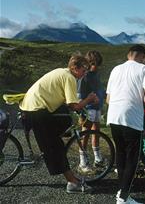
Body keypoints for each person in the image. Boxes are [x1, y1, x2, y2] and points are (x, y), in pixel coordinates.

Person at [19, 55, 98, 194]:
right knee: (56, 147)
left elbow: (66, 102)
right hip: (37, 109)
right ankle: (72, 183)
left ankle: (49, 147)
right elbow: (74, 106)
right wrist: (89, 99)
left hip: (33, 106)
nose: (85, 73)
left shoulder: (64, 72)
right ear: (75, 68)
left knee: (63, 122)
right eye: (84, 70)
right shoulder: (69, 78)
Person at [106, 45, 145, 204]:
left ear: (128, 55)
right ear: (142, 56)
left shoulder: (115, 69)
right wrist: (142, 104)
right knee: (132, 158)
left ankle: (122, 193)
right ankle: (123, 197)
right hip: (131, 117)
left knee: (120, 154)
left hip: (113, 115)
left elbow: (108, 99)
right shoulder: (144, 69)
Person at [77, 50, 105, 173]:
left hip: (97, 108)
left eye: (97, 64)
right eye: (92, 63)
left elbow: (99, 89)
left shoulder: (96, 74)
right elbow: (79, 95)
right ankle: (82, 161)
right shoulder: (85, 76)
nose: (95, 66)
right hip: (87, 109)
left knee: (96, 131)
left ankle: (97, 158)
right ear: (87, 63)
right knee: (85, 133)